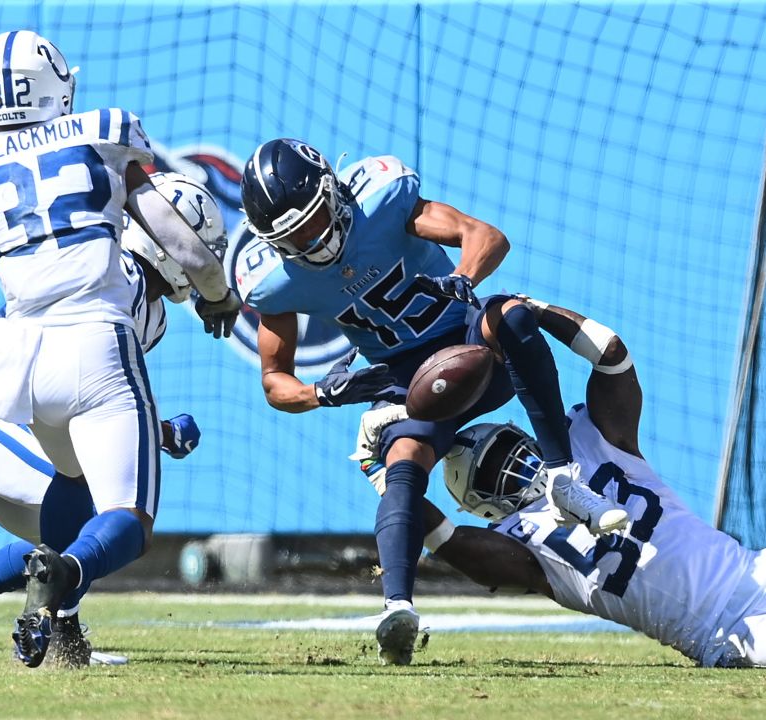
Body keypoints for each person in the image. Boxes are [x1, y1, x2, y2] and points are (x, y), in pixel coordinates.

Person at [0, 30, 240, 668]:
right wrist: (218, 292)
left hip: (22, 374)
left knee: (72, 521)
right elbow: (183, 249)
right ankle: (28, 613)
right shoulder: (121, 242)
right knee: (111, 523)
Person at [350, 297, 766, 671]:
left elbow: (611, 357)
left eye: (501, 448)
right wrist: (388, 473)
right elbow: (445, 538)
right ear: (482, 501)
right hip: (724, 634)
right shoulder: (518, 546)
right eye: (486, 470)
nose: (505, 465)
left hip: (765, 569)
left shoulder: (587, 438)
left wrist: (537, 314)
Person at [236, 139, 627, 664]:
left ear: (332, 191)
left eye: (313, 221)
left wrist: (463, 278)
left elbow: (485, 236)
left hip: (467, 338)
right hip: (407, 379)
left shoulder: (381, 199)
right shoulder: (274, 281)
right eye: (293, 236)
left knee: (510, 316)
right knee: (402, 463)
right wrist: (322, 393)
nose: (312, 240)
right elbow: (273, 383)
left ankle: (562, 479)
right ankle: (397, 606)